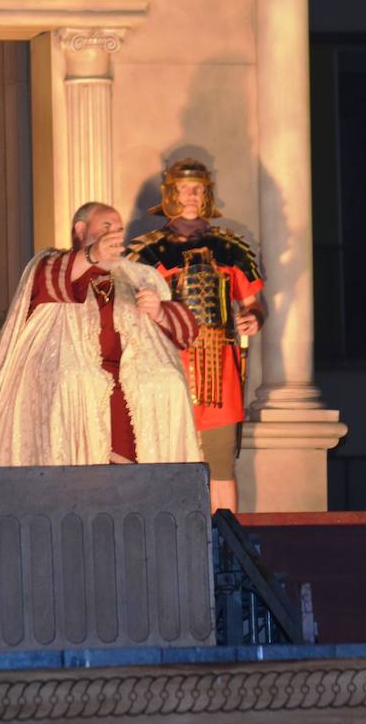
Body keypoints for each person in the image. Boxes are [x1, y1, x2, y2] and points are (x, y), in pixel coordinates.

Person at [0, 202, 202, 467]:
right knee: (77, 382)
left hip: (130, 375)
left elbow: (187, 332)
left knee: (170, 382)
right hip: (72, 376)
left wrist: (159, 312)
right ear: (80, 229)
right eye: (106, 227)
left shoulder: (139, 275)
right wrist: (91, 257)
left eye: (119, 230)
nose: (114, 235)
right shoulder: (52, 263)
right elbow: (50, 281)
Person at [127, 159, 264, 512]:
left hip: (220, 371)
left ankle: (226, 547)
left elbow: (254, 303)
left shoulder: (232, 248)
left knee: (220, 467)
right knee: (168, 459)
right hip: (167, 365)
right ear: (170, 193)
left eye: (198, 189)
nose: (192, 196)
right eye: (185, 189)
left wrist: (253, 318)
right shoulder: (145, 252)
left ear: (208, 193)